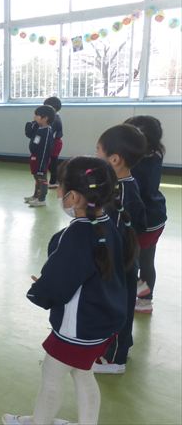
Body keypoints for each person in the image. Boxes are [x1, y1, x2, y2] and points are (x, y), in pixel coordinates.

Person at [2, 157, 127, 425]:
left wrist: (40, 289)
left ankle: (39, 422)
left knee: (51, 375)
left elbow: (59, 281)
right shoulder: (107, 223)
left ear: (73, 197)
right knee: (83, 372)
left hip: (77, 328)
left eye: (60, 187)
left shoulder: (78, 234)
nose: (57, 192)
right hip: (103, 321)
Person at [92, 124, 146, 374]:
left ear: (114, 159)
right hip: (126, 260)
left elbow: (111, 236)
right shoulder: (125, 184)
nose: (95, 155)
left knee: (114, 308)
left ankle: (114, 359)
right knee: (121, 306)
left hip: (117, 264)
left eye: (98, 151)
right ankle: (123, 345)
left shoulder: (121, 193)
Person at [124, 116, 167, 314]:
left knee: (127, 261)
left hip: (141, 222)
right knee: (147, 261)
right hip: (156, 217)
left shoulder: (134, 165)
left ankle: (136, 290)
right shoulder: (156, 152)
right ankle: (145, 301)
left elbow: (130, 196)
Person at [24, 105, 55, 207]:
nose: (34, 117)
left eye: (37, 115)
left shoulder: (47, 131)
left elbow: (45, 149)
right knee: (37, 178)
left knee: (42, 179)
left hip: (41, 160)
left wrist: (42, 164)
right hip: (35, 157)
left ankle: (42, 199)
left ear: (45, 118)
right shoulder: (40, 128)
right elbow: (34, 139)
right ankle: (36, 196)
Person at [44, 97, 64, 189]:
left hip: (55, 143)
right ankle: (55, 180)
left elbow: (50, 133)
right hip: (54, 142)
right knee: (51, 162)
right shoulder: (55, 117)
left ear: (53, 108)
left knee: (52, 163)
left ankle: (54, 181)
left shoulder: (54, 119)